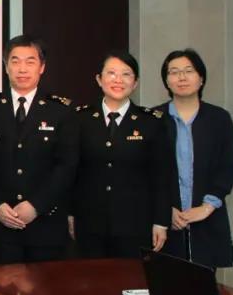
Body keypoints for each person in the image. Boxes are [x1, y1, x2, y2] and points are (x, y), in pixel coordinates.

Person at [0, 35, 77, 265]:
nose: (22, 69)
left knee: (46, 287)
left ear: (42, 67)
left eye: (30, 62)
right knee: (1, 287)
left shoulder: (61, 110)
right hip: (2, 224)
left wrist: (37, 205)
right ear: (6, 66)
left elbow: (67, 166)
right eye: (15, 61)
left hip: (46, 224)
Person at [69, 51, 170, 259]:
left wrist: (161, 221)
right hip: (89, 223)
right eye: (111, 73)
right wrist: (69, 213)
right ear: (99, 79)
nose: (118, 80)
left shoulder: (151, 122)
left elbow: (162, 175)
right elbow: (71, 171)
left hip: (135, 224)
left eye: (126, 74)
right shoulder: (80, 119)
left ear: (135, 83)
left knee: (130, 278)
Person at [155, 49, 233, 269]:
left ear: (201, 78)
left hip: (207, 220)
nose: (181, 77)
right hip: (165, 224)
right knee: (163, 282)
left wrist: (207, 207)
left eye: (188, 71)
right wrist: (165, 209)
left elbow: (229, 166)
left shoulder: (219, 119)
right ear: (166, 81)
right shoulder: (153, 119)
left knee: (204, 285)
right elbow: (147, 171)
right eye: (174, 72)